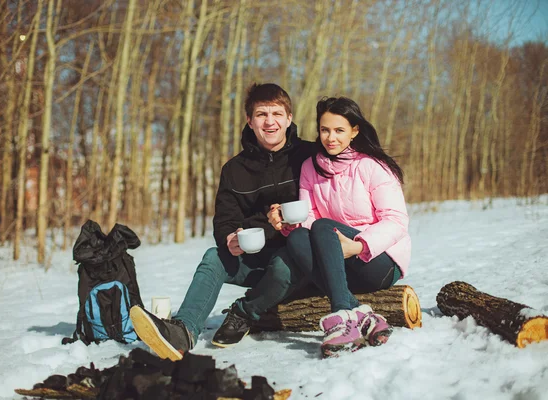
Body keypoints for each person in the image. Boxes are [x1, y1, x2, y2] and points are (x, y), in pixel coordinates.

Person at [130, 83, 315, 361]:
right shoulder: (234, 170)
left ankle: (244, 311)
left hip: (297, 259)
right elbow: (225, 219)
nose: (270, 121)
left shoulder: (309, 157)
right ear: (249, 121)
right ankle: (183, 330)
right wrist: (230, 237)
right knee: (213, 257)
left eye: (277, 113)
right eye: (261, 114)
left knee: (284, 265)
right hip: (255, 259)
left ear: (289, 118)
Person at [267, 97, 411, 358]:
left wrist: (358, 246)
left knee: (322, 227)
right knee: (298, 236)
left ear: (354, 131)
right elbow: (307, 216)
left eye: (339, 130)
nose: (330, 137)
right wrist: (288, 223)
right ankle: (359, 315)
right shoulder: (310, 167)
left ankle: (341, 314)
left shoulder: (372, 166)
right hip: (338, 262)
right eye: (324, 130)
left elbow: (396, 221)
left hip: (379, 260)